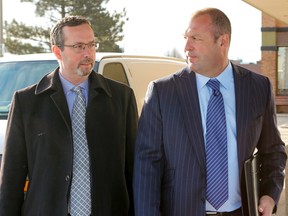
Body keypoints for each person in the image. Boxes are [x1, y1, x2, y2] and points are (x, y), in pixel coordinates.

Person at [133, 7, 287, 216]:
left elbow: (273, 151)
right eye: (186, 38)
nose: (187, 46)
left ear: (222, 41)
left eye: (195, 38)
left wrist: (270, 193)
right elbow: (146, 166)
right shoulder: (163, 92)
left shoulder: (257, 88)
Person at [0, 15, 138, 215]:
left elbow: (134, 170)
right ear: (57, 51)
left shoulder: (121, 98)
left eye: (91, 45)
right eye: (79, 46)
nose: (88, 53)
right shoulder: (27, 102)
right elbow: (12, 176)